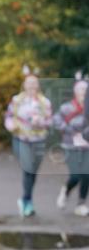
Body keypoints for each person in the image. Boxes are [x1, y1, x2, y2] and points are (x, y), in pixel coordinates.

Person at [4, 70, 52, 217]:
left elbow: (50, 121)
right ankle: (27, 201)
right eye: (29, 83)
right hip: (21, 139)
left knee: (33, 171)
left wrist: (41, 122)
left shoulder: (44, 102)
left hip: (38, 140)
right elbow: (9, 117)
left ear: (38, 85)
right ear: (24, 85)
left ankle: (26, 199)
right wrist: (10, 125)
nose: (32, 85)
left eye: (34, 83)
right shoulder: (17, 100)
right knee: (28, 167)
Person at [54, 76, 89, 216]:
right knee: (76, 175)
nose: (84, 92)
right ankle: (66, 190)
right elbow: (56, 121)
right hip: (71, 146)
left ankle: (81, 204)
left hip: (87, 146)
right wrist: (70, 130)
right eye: (81, 89)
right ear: (75, 91)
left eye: (86, 89)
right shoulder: (67, 107)